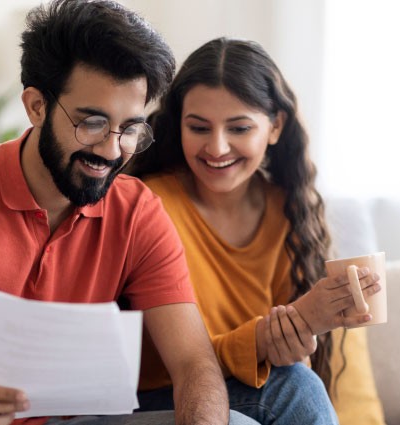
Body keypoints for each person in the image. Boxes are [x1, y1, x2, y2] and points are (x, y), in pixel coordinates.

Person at [0, 2, 252, 425]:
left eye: (128, 129)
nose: (110, 150)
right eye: (91, 123)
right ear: (35, 106)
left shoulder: (138, 212)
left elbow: (195, 365)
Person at [128, 38, 383, 424]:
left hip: (244, 392)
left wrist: (292, 341)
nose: (216, 147)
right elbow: (181, 363)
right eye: (198, 127)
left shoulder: (288, 212)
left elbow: (285, 365)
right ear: (177, 123)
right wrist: (262, 340)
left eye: (239, 128)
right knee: (294, 388)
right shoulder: (149, 204)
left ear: (275, 126)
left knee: (296, 379)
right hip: (161, 395)